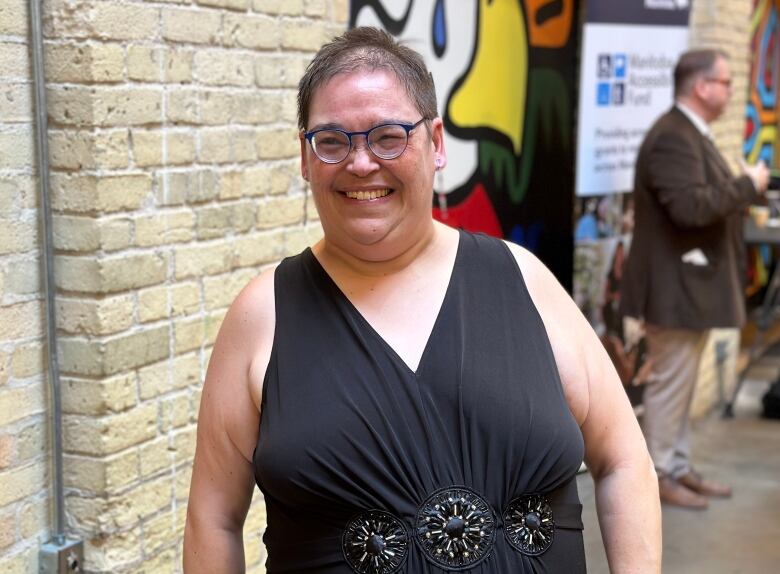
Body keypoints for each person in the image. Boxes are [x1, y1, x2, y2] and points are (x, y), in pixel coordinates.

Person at [184, 27, 660, 572]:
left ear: (435, 144)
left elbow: (625, 459)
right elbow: (213, 518)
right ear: (305, 156)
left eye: (388, 136)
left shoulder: (522, 281)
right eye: (333, 141)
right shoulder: (263, 314)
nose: (361, 163)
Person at [621, 49, 770, 510]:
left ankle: (678, 465)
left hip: (689, 288)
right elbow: (690, 207)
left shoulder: (689, 133)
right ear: (702, 87)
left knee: (681, 384)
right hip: (673, 289)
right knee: (670, 384)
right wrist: (748, 185)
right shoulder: (673, 137)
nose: (730, 91)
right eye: (725, 82)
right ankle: (659, 474)